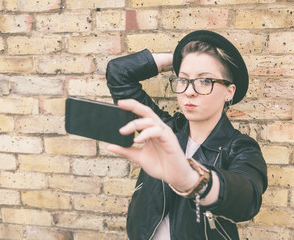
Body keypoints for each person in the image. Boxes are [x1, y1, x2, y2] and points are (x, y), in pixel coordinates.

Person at [105, 30, 268, 240]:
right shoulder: (164, 130)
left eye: (205, 81)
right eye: (183, 80)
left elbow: (248, 197)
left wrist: (191, 179)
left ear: (230, 91)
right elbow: (119, 72)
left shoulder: (241, 148)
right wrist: (176, 60)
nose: (189, 91)